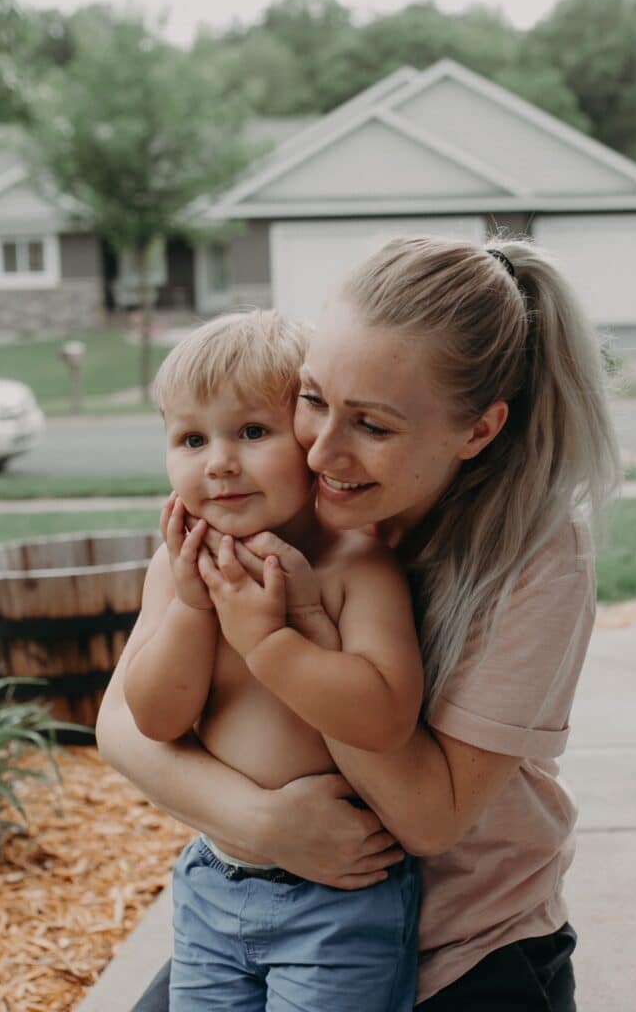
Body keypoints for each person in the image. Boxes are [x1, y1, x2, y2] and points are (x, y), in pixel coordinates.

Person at [97, 234, 621, 1011]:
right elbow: (123, 723)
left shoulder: (538, 557)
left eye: (371, 426)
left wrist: (280, 637)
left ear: (477, 431)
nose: (320, 452)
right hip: (255, 904)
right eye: (311, 400)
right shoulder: (259, 507)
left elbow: (428, 817)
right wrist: (261, 825)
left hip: (464, 944)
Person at [114, 310, 422, 1012]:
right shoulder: (177, 569)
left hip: (336, 899)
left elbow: (382, 718)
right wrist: (193, 609)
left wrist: (277, 638)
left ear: (310, 441)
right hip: (215, 879)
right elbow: (158, 718)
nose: (218, 461)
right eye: (191, 438)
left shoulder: (354, 567)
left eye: (251, 432)